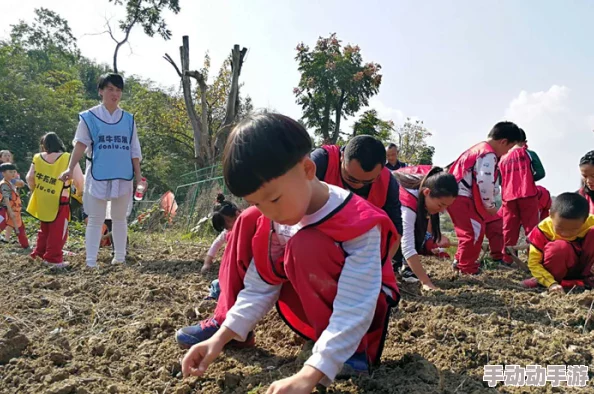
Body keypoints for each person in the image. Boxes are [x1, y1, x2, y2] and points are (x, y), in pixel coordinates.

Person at [180, 113, 400, 392]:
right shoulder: (276, 219)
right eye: (256, 202)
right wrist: (220, 339)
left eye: (273, 199)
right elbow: (261, 284)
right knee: (258, 225)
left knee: (308, 244)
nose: (268, 212)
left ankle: (351, 353)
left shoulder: (356, 220)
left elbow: (356, 303)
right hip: (313, 309)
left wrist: (311, 373)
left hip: (361, 317)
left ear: (308, 170)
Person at [59, 73, 143, 268]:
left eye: (118, 90)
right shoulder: (89, 118)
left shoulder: (129, 120)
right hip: (98, 175)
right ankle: (91, 261)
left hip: (123, 175)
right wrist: (70, 168)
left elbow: (134, 150)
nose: (115, 94)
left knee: (120, 219)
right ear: (101, 91)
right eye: (110, 89)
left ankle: (120, 258)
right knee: (95, 219)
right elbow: (80, 145)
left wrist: (139, 177)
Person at [311, 136, 403, 274]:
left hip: (357, 244)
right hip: (315, 234)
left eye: (368, 182)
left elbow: (395, 231)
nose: (359, 185)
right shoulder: (322, 161)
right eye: (351, 179)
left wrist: (377, 269)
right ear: (342, 157)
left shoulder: (388, 183)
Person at [447, 121, 523, 275]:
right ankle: (466, 268)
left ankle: (460, 261)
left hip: (458, 196)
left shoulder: (479, 149)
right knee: (473, 233)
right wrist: (490, 206)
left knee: (471, 232)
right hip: (461, 197)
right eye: (508, 148)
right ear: (503, 142)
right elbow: (485, 182)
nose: (507, 152)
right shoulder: (488, 154)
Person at [393, 166, 458, 290]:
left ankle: (405, 268)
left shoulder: (433, 179)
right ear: (426, 192)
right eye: (441, 205)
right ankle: (393, 267)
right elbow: (407, 247)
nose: (443, 210)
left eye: (446, 206)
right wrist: (426, 282)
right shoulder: (407, 207)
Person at [26, 133, 84, 268]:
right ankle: (53, 259)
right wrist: (79, 192)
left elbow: (30, 177)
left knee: (44, 227)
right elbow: (79, 180)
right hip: (60, 198)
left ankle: (39, 254)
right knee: (58, 230)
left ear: (43, 145)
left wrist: (35, 190)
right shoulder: (67, 158)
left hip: (42, 196)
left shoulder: (37, 158)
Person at [522, 193, 594, 292]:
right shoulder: (542, 231)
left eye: (573, 230)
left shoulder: (591, 222)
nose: (565, 234)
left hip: (585, 268)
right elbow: (534, 263)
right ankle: (546, 281)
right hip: (556, 273)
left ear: (585, 220)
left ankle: (588, 281)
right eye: (560, 228)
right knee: (559, 247)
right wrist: (550, 282)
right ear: (550, 215)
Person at [499, 129, 540, 264]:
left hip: (508, 196)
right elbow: (541, 172)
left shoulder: (502, 158)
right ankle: (533, 258)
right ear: (524, 142)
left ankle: (507, 259)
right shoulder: (529, 153)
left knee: (509, 228)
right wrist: (528, 179)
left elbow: (500, 179)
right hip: (528, 194)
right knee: (531, 228)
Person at [202, 194, 242, 273]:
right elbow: (216, 243)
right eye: (226, 228)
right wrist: (207, 262)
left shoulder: (249, 221)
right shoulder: (228, 232)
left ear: (237, 214)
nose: (229, 229)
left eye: (229, 224)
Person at [0, 163, 29, 249]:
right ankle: (25, 245)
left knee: (20, 227)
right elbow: (6, 199)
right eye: (10, 172)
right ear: (3, 173)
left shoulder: (11, 183)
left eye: (14, 172)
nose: (13, 174)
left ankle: (25, 245)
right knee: (3, 224)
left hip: (13, 210)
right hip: (5, 210)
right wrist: (10, 211)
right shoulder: (5, 184)